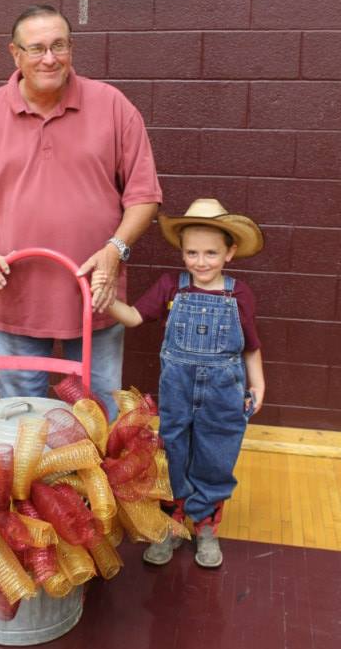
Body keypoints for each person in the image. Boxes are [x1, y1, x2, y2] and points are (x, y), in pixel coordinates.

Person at [0, 4, 162, 420]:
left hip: (96, 295)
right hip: (15, 298)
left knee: (98, 415)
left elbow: (144, 196)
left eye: (59, 46)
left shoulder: (113, 105)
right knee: (19, 417)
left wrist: (114, 250)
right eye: (37, 48)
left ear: (71, 48)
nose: (50, 58)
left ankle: (92, 467)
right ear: (15, 54)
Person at [92, 199, 265, 569]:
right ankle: (171, 524)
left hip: (223, 396)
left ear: (229, 252)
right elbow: (133, 317)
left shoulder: (239, 294)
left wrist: (258, 384)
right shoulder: (172, 286)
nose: (200, 262)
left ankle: (205, 525)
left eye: (210, 253)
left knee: (215, 457)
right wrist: (107, 301)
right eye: (192, 252)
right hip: (178, 394)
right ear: (182, 251)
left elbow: (250, 345)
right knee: (173, 455)